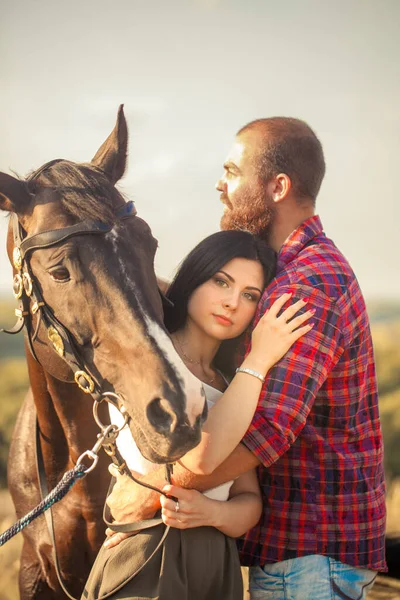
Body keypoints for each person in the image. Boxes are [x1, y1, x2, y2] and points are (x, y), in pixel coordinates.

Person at [104, 117, 387, 600]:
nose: (221, 183)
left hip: (308, 554)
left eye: (232, 171)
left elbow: (265, 433)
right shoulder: (288, 271)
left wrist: (147, 491)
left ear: (277, 186)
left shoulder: (307, 285)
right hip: (296, 554)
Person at [82, 229, 313, 599]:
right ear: (194, 276)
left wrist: (210, 512)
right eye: (221, 282)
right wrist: (259, 358)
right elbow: (201, 457)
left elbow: (248, 501)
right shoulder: (148, 361)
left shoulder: (232, 384)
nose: (232, 302)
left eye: (249, 295)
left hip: (216, 567)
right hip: (149, 552)